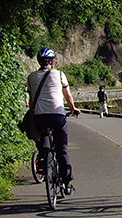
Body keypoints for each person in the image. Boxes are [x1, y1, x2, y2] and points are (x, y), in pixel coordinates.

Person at [28, 47, 80, 195]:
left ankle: (43, 159)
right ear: (52, 61)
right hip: (57, 116)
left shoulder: (31, 77)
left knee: (43, 141)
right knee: (62, 149)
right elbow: (68, 95)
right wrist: (73, 109)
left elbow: (31, 100)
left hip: (40, 116)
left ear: (38, 61)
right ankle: (67, 182)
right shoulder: (59, 75)